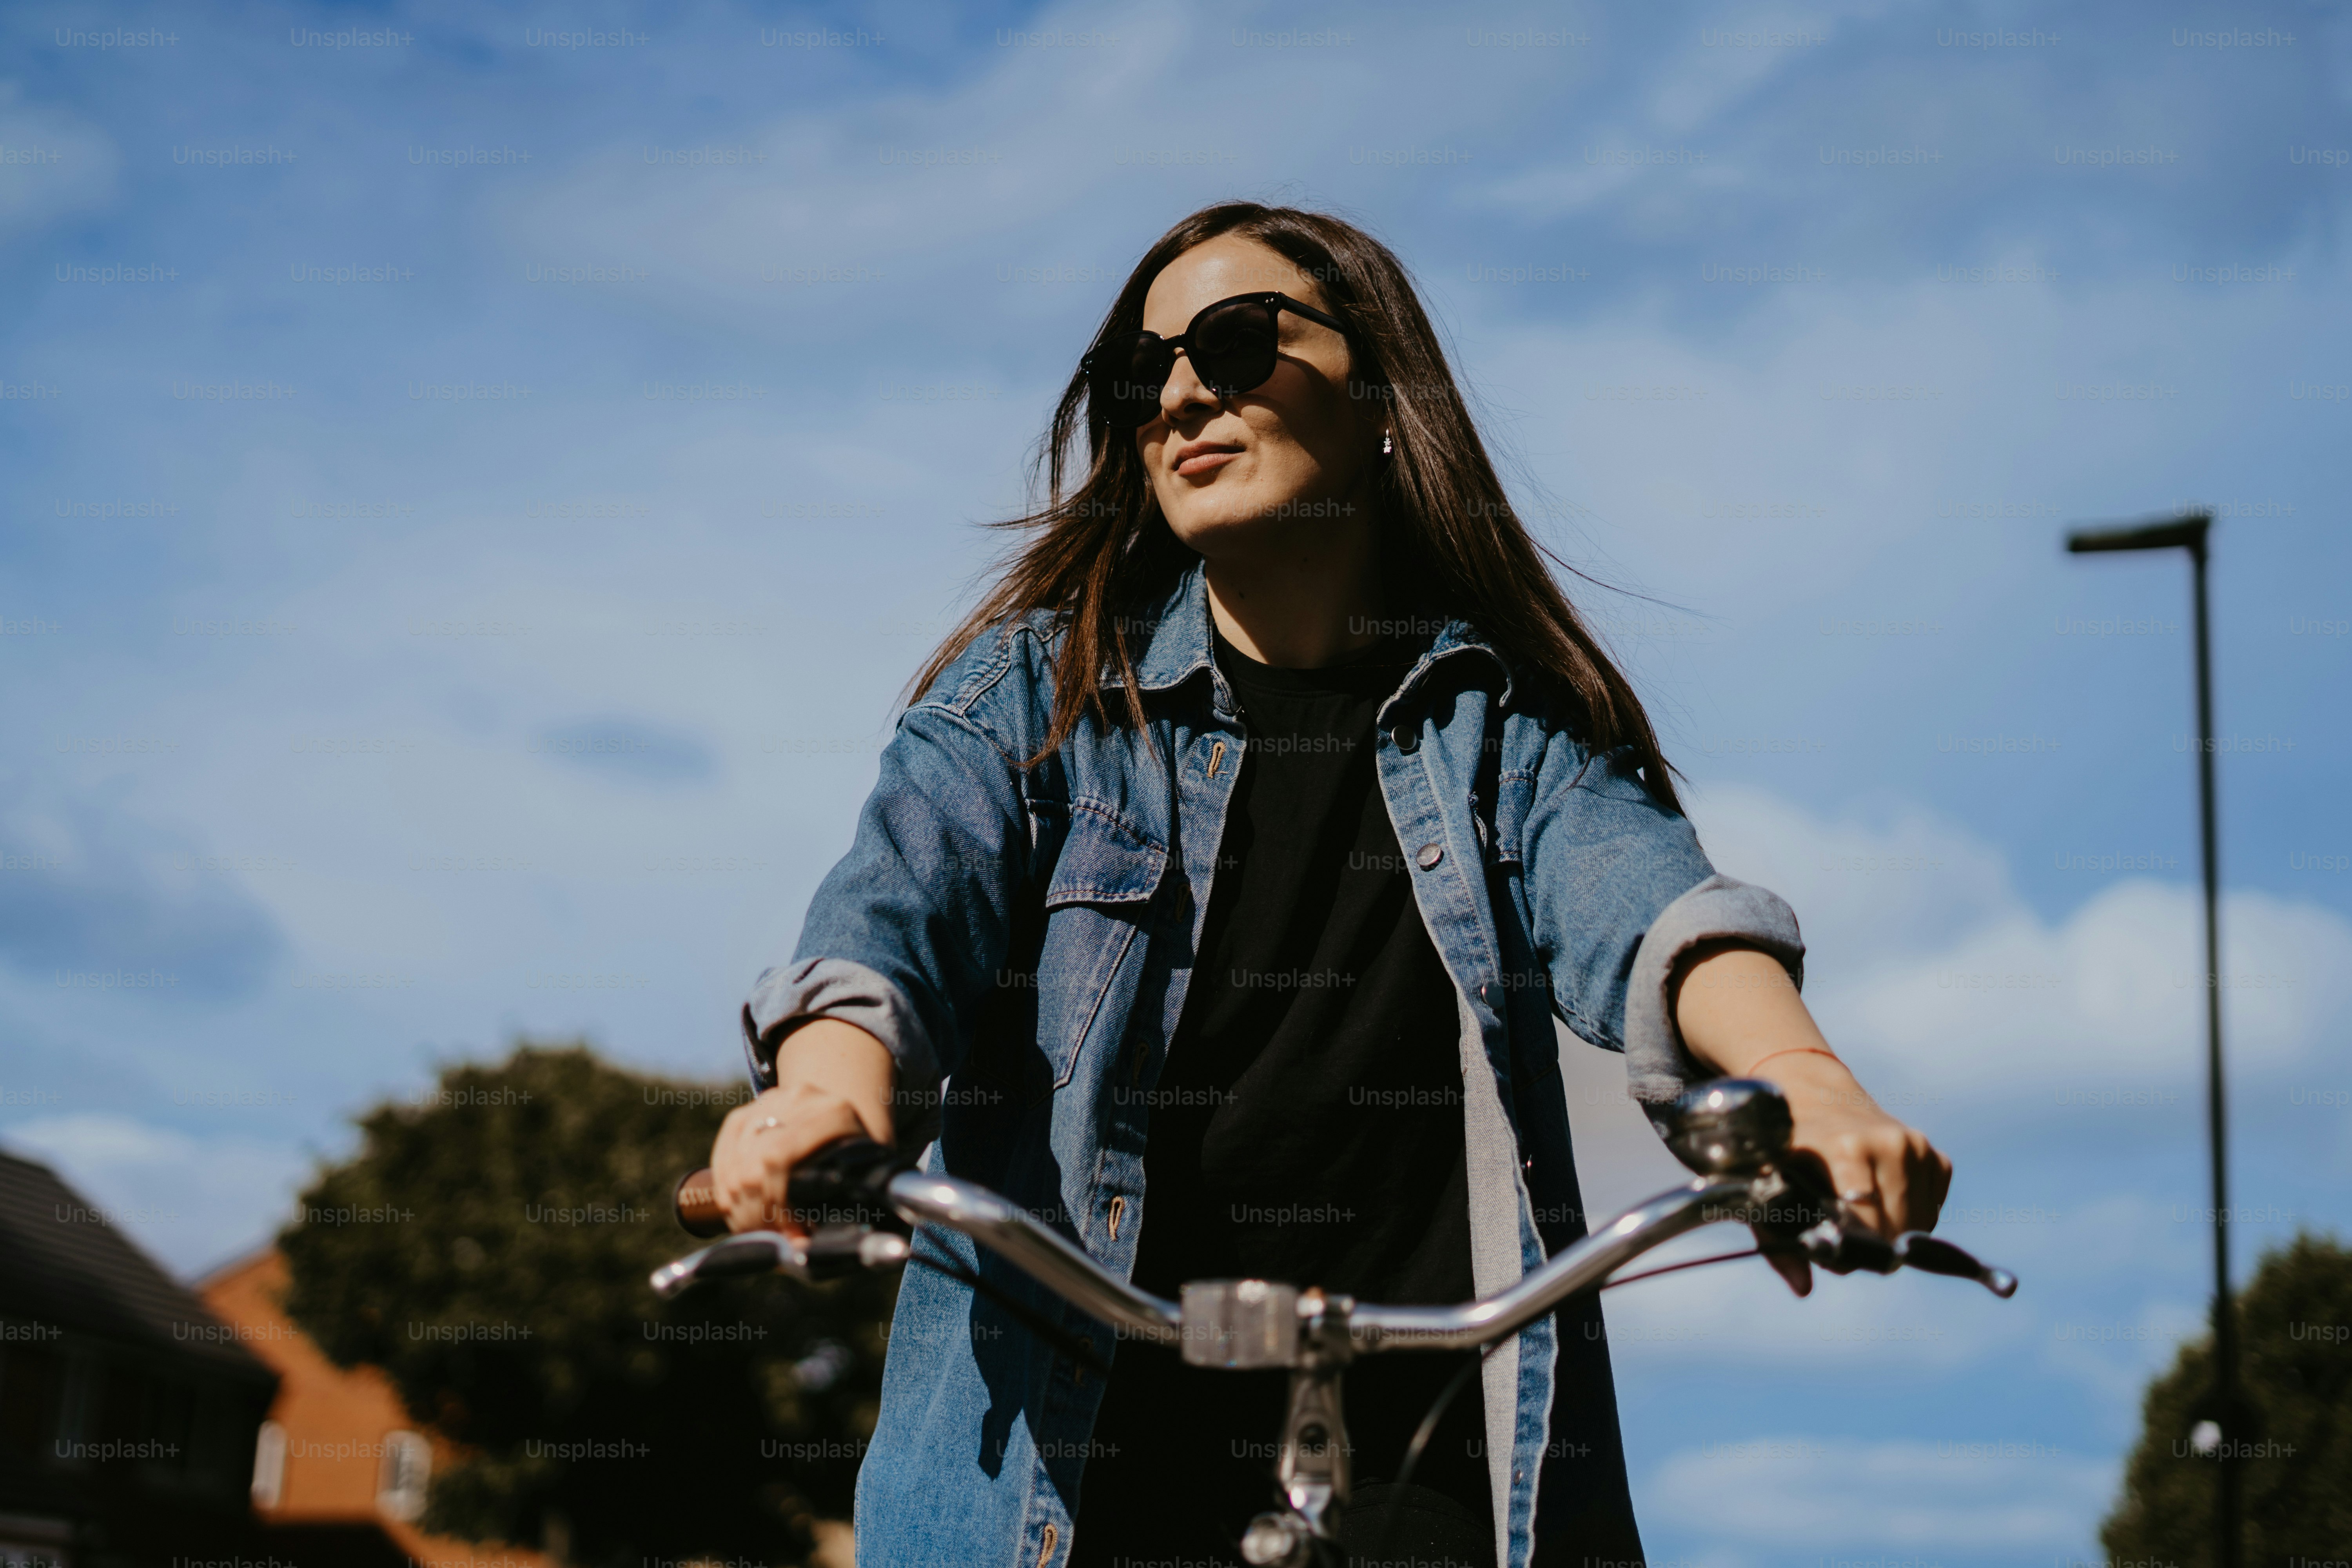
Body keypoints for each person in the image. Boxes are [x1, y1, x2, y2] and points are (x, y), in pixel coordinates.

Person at [708, 201, 1953, 1568]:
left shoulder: (1502, 728)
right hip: (1067, 1493)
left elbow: (1659, 913)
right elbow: (889, 933)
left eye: (1238, 342)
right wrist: (823, 1102)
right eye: (1146, 372)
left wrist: (1809, 1083)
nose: (1185, 389)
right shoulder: (1035, 699)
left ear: (1380, 401)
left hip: (1433, 1473)